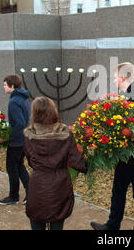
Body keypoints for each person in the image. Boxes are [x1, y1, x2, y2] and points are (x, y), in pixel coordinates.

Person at [91, 62, 134, 230]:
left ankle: (121, 227)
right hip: (133, 157)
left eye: (114, 77)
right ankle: (127, 227)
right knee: (133, 193)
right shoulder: (131, 96)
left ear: (123, 77)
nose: (113, 80)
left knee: (131, 193)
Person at [24, 97, 87, 230]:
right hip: (60, 184)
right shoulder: (65, 133)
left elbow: (30, 161)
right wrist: (92, 165)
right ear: (53, 111)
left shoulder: (29, 134)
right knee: (57, 222)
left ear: (35, 113)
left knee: (37, 221)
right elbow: (77, 162)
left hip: (38, 183)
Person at [0, 75, 31, 206]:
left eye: (5, 85)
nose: (4, 87)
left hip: (16, 141)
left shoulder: (14, 101)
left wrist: (6, 137)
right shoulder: (23, 99)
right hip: (24, 139)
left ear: (12, 86)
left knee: (11, 167)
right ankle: (31, 193)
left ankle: (13, 196)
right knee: (19, 165)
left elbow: (19, 123)